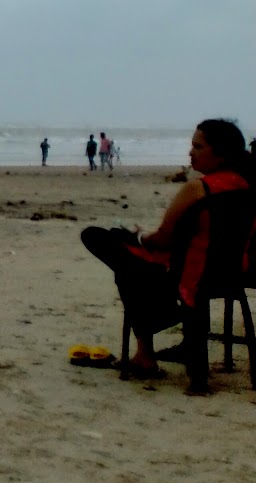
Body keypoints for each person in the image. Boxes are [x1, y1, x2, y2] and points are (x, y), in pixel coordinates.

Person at [80, 119, 252, 384]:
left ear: (220, 153)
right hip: (231, 271)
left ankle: (149, 347)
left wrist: (139, 236)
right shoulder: (246, 187)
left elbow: (162, 239)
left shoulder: (198, 189)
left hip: (188, 272)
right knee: (126, 267)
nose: (190, 153)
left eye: (198, 147)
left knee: (105, 242)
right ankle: (148, 346)